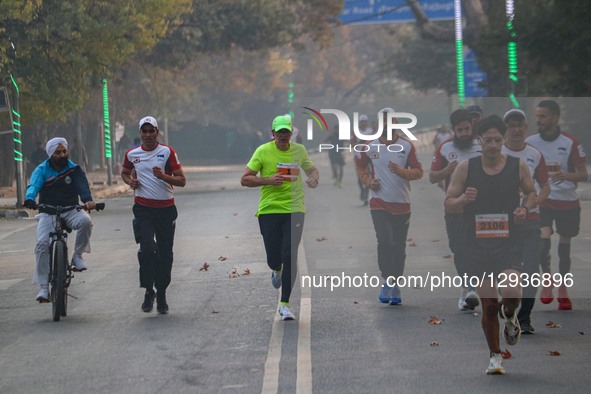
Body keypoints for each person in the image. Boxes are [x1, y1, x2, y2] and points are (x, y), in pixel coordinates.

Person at [445, 115, 536, 375]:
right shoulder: (466, 167)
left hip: (508, 242)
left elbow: (530, 193)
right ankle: (495, 356)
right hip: (478, 246)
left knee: (512, 293)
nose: (494, 145)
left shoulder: (517, 166)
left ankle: (510, 317)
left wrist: (524, 209)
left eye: (498, 140)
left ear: (504, 139)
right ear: (479, 140)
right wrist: (463, 199)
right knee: (488, 305)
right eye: (488, 140)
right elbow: (448, 203)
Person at [241, 115, 319, 321]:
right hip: (269, 210)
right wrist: (268, 180)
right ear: (273, 134)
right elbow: (245, 179)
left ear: (291, 133)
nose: (284, 136)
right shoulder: (263, 151)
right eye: (280, 132)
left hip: (294, 209)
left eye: (287, 132)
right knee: (274, 258)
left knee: (290, 254)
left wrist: (313, 178)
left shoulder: (299, 150)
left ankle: (284, 304)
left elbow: (312, 169)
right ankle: (276, 269)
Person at [355, 107, 423, 305]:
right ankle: (386, 281)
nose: (387, 125)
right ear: (378, 124)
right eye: (383, 122)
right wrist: (368, 181)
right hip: (379, 202)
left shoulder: (406, 146)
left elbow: (419, 172)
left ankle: (395, 284)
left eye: (391, 121)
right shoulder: (370, 146)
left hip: (402, 203)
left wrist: (403, 172)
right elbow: (360, 165)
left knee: (399, 246)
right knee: (385, 242)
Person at [525, 100, 588, 310]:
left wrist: (566, 175)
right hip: (543, 199)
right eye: (537, 116)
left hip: (567, 201)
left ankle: (563, 287)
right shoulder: (531, 142)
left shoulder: (570, 143)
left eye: (543, 116)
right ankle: (547, 280)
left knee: (565, 246)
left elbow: (583, 174)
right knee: (542, 239)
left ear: (555, 118)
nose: (539, 120)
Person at [121, 116, 186, 314]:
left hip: (166, 210)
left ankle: (162, 292)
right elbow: (125, 172)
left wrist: (163, 176)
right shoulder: (132, 154)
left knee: (166, 254)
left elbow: (182, 180)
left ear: (157, 132)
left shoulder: (167, 152)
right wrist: (130, 181)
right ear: (140, 133)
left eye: (152, 131)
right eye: (144, 131)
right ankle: (149, 290)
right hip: (143, 209)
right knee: (147, 249)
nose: (148, 135)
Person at [23, 137, 96, 302]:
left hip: (71, 210)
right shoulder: (41, 170)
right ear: (50, 154)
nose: (62, 155)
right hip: (48, 212)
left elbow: (82, 186)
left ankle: (77, 256)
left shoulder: (74, 169)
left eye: (64, 151)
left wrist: (87, 200)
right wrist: (29, 198)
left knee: (86, 221)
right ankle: (43, 288)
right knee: (42, 244)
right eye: (58, 152)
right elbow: (34, 185)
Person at [502, 109, 550, 334]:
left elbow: (545, 185)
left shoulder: (535, 154)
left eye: (520, 124)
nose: (516, 129)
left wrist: (531, 204)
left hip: (530, 220)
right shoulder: (496, 152)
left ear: (526, 128)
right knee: (504, 268)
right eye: (511, 125)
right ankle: (507, 306)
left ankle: (524, 318)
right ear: (506, 129)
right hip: (502, 222)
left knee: (531, 269)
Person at [430, 109, 482, 311]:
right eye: (459, 129)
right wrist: (446, 171)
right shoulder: (445, 148)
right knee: (459, 249)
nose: (464, 133)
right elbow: (432, 177)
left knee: (478, 249)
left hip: (481, 208)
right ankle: (467, 288)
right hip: (455, 209)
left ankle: (475, 287)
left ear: (472, 127)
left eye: (467, 128)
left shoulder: (483, 144)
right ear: (453, 130)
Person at [352, 114, 373, 205]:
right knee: (360, 176)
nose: (363, 123)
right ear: (359, 123)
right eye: (362, 122)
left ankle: (366, 194)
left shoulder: (371, 131)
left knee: (368, 175)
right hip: (359, 156)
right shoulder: (355, 132)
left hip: (369, 156)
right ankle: (362, 190)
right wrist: (359, 142)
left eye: (365, 121)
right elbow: (351, 144)